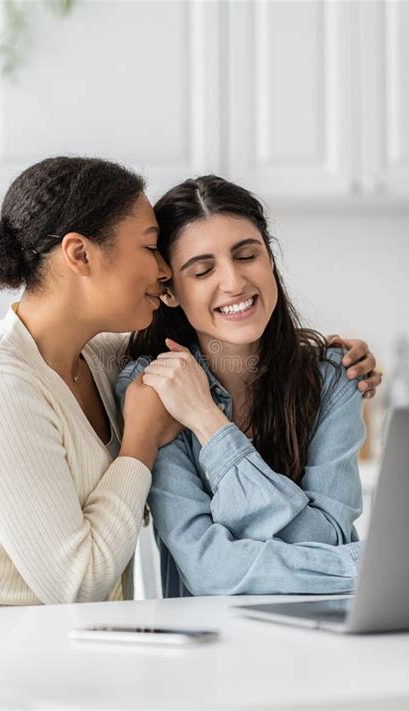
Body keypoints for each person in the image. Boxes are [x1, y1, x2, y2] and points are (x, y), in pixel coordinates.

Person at [0, 158, 380, 608]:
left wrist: (334, 359)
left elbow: (329, 532)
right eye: (151, 248)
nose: (161, 270)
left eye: (247, 255)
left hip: (87, 647)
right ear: (80, 255)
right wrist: (144, 440)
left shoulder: (100, 359)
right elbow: (87, 582)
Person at [116, 175, 380, 598]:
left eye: (247, 256)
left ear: (269, 259)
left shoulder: (335, 376)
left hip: (325, 641)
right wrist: (359, 566)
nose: (234, 282)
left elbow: (326, 535)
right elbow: (207, 570)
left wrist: (208, 422)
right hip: (208, 647)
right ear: (169, 292)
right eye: (203, 270)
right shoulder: (154, 389)